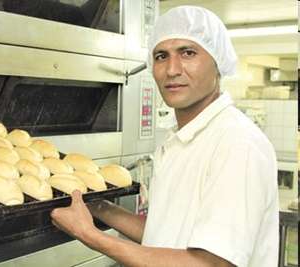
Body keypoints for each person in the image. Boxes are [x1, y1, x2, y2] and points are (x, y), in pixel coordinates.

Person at [51, 5, 279, 267]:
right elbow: (164, 234)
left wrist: (88, 235)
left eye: (188, 53)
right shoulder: (182, 140)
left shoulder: (237, 143)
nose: (172, 69)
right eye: (161, 56)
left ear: (218, 63)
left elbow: (211, 263)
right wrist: (94, 204)